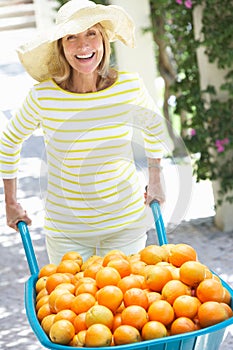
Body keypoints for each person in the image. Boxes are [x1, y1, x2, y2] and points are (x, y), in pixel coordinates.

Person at [0, 0, 166, 264]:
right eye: (72, 37)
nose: (84, 45)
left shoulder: (129, 86)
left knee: (127, 304)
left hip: (126, 226)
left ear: (103, 40)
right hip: (68, 234)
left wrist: (156, 179)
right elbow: (8, 141)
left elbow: (156, 129)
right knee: (72, 304)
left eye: (92, 33)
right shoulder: (44, 96)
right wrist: (11, 202)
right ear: (61, 47)